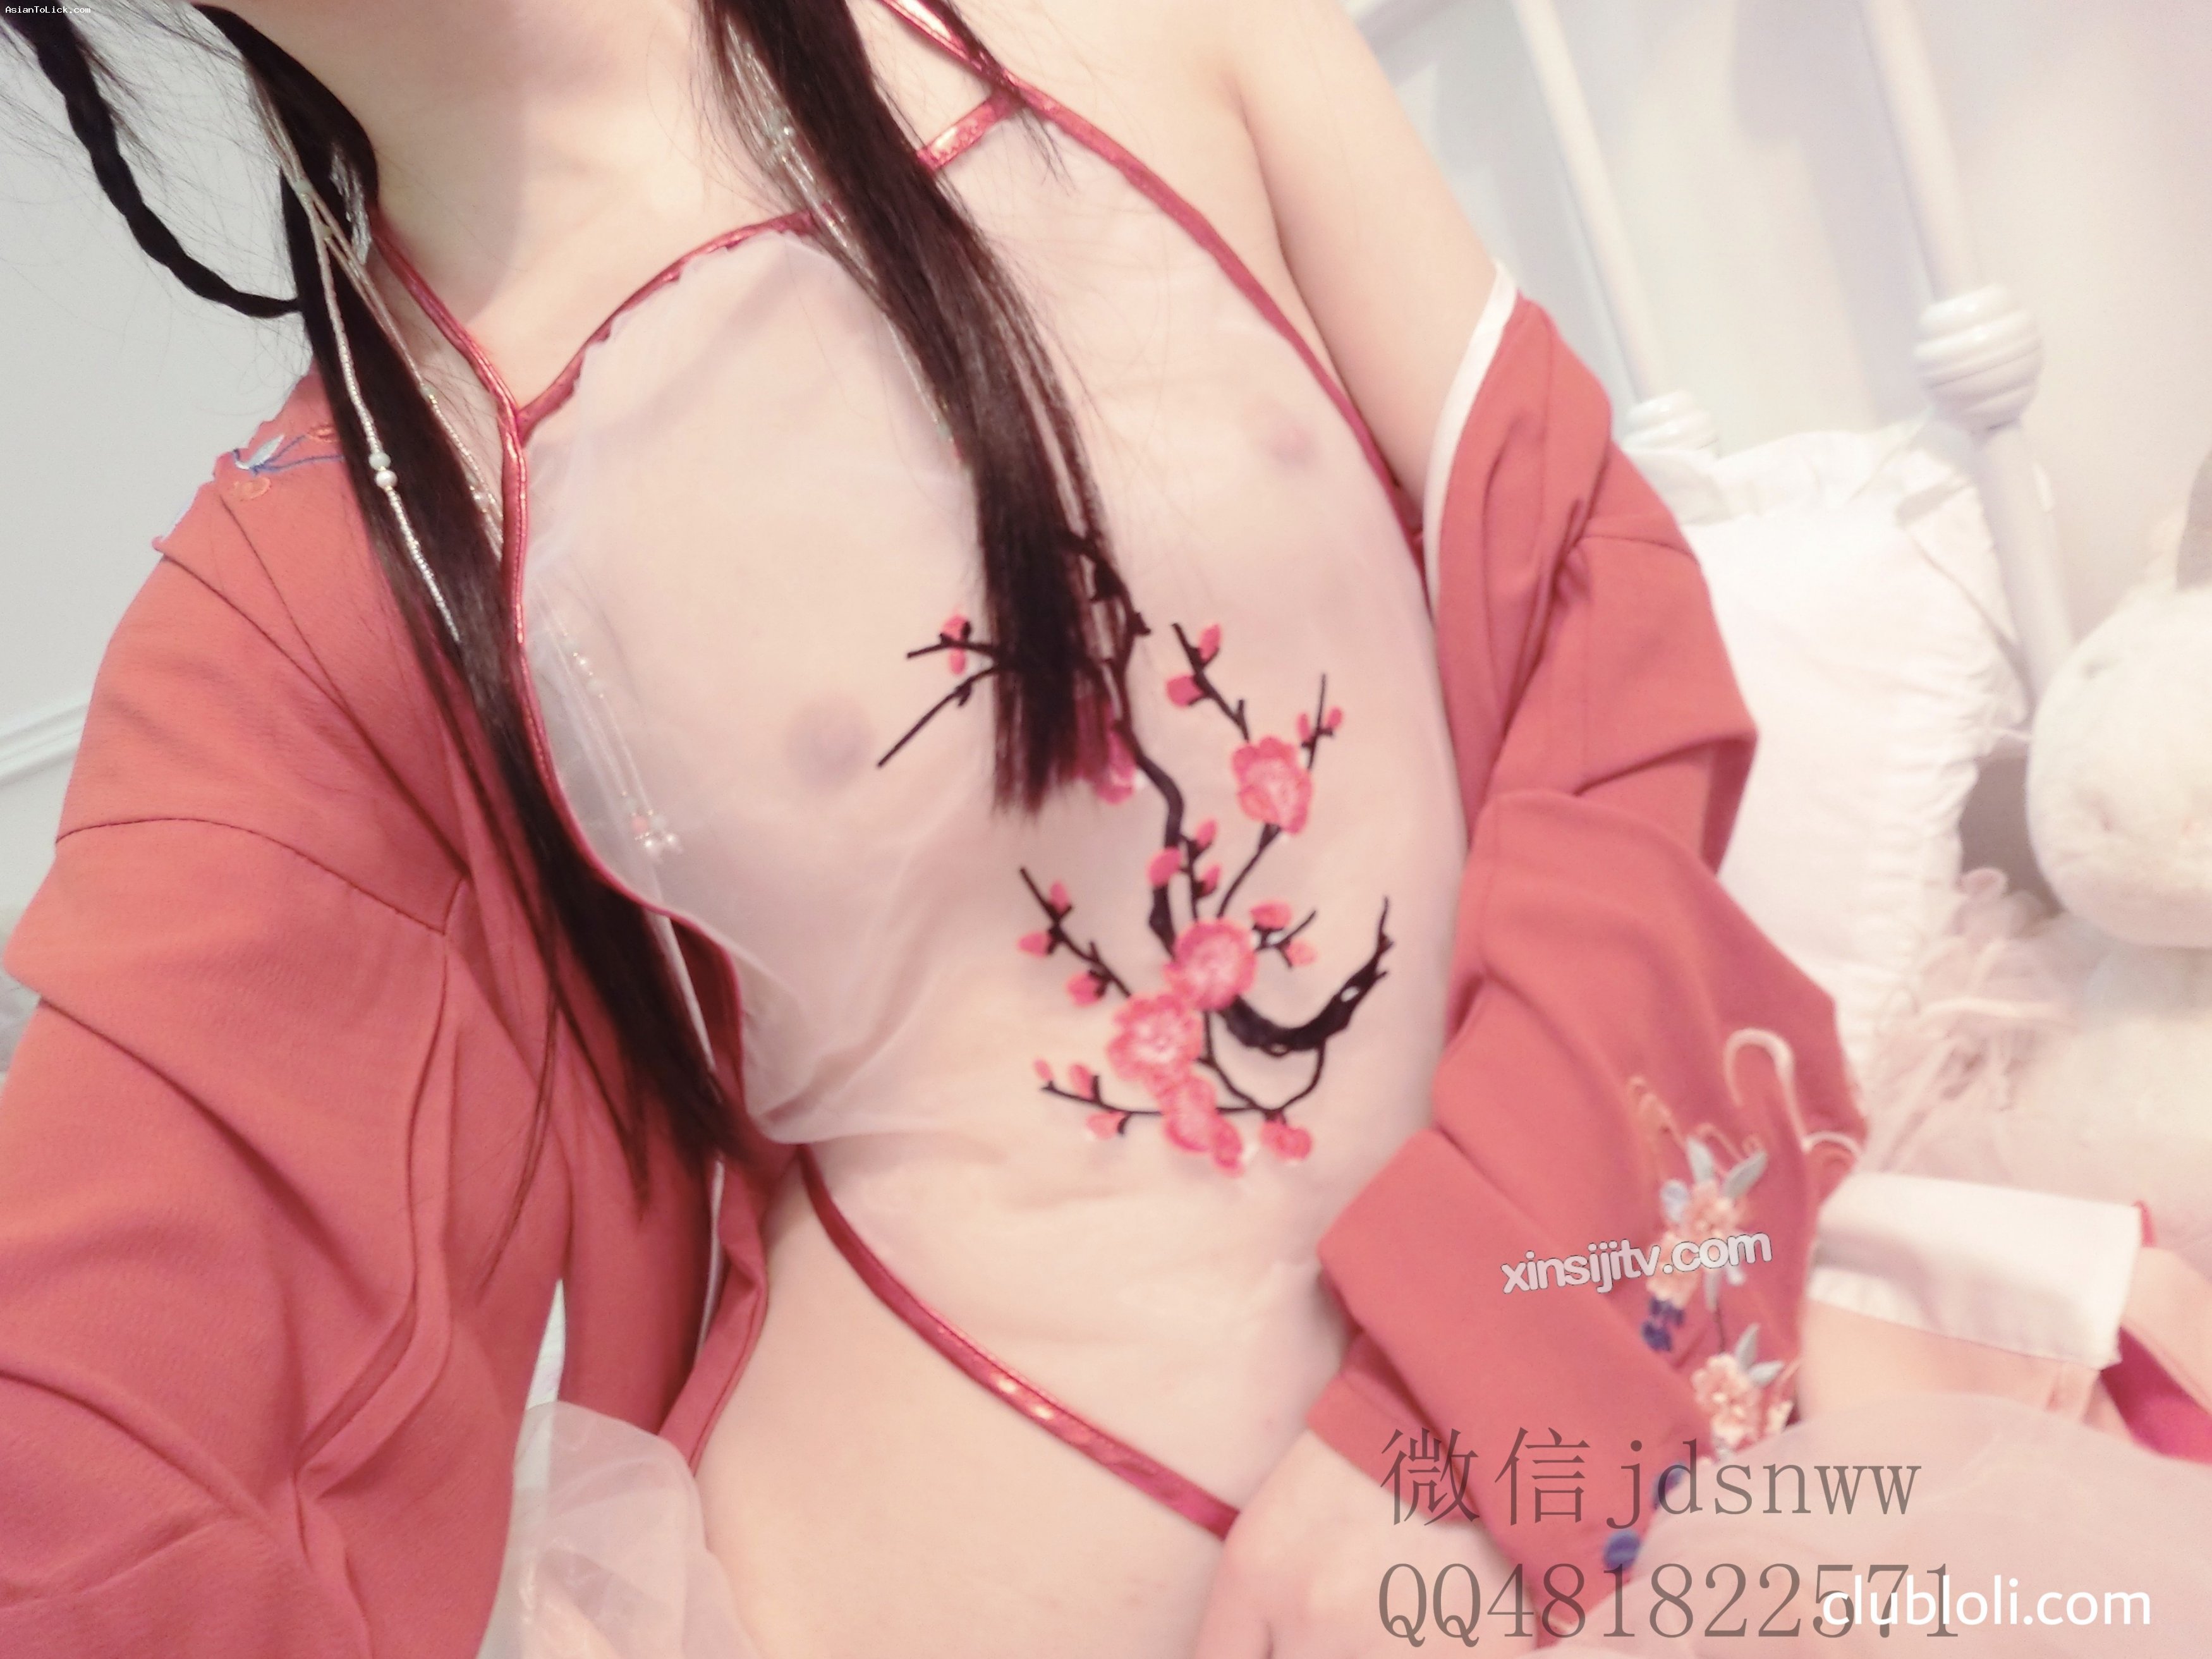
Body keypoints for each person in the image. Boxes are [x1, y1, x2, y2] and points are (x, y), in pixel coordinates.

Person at [0, 2, 1888, 1655]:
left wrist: (1468, 1424)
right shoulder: (311, 585)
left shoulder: (1125, 32)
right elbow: (89, 1419)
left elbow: (1597, 654)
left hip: (1577, 1445)